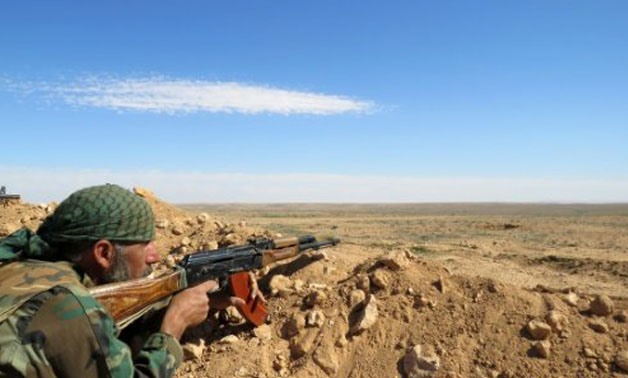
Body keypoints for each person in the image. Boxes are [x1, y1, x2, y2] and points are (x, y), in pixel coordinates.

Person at [0, 184, 255, 377]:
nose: (155, 256)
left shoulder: (18, 267)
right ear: (103, 253)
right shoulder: (70, 307)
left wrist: (183, 303)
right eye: (145, 245)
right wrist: (174, 324)